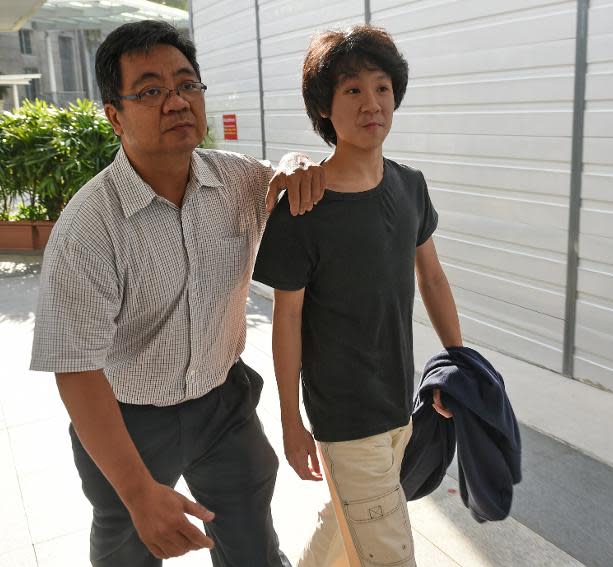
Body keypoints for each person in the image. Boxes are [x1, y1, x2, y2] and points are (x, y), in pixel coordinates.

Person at [30, 20, 325, 567]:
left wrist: (296, 165)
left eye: (188, 84)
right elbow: (74, 368)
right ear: (114, 116)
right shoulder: (89, 226)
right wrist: (140, 493)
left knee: (252, 543)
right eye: (150, 90)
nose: (177, 102)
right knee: (127, 545)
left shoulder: (236, 181)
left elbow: (284, 179)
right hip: (129, 418)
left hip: (223, 401)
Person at [252, 26, 463, 567]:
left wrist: (456, 366)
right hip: (346, 416)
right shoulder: (303, 208)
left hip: (400, 402)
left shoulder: (411, 185)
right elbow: (287, 320)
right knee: (389, 553)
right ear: (324, 107)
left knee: (344, 527)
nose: (372, 103)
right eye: (352, 90)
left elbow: (433, 279)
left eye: (382, 88)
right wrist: (290, 420)